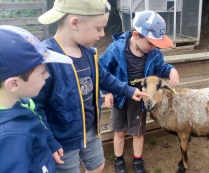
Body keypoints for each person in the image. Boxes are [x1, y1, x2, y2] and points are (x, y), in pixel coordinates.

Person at [35, 0, 148, 173]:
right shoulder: (46, 60)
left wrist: (128, 90)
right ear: (75, 23)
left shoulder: (89, 54)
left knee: (97, 166)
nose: (103, 34)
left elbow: (104, 78)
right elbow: (35, 106)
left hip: (90, 130)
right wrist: (49, 140)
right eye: (98, 28)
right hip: (62, 139)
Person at [99, 10, 180, 173]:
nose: (153, 47)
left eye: (156, 44)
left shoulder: (154, 52)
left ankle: (137, 161)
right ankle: (119, 160)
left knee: (137, 131)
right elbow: (102, 70)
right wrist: (107, 92)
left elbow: (160, 67)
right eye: (151, 43)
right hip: (119, 97)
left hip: (141, 98)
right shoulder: (115, 49)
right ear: (136, 35)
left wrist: (171, 70)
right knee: (119, 131)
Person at [0, 25, 73, 173]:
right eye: (42, 72)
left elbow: (37, 122)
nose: (48, 75)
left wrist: (50, 142)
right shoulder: (10, 137)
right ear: (14, 84)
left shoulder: (21, 101)